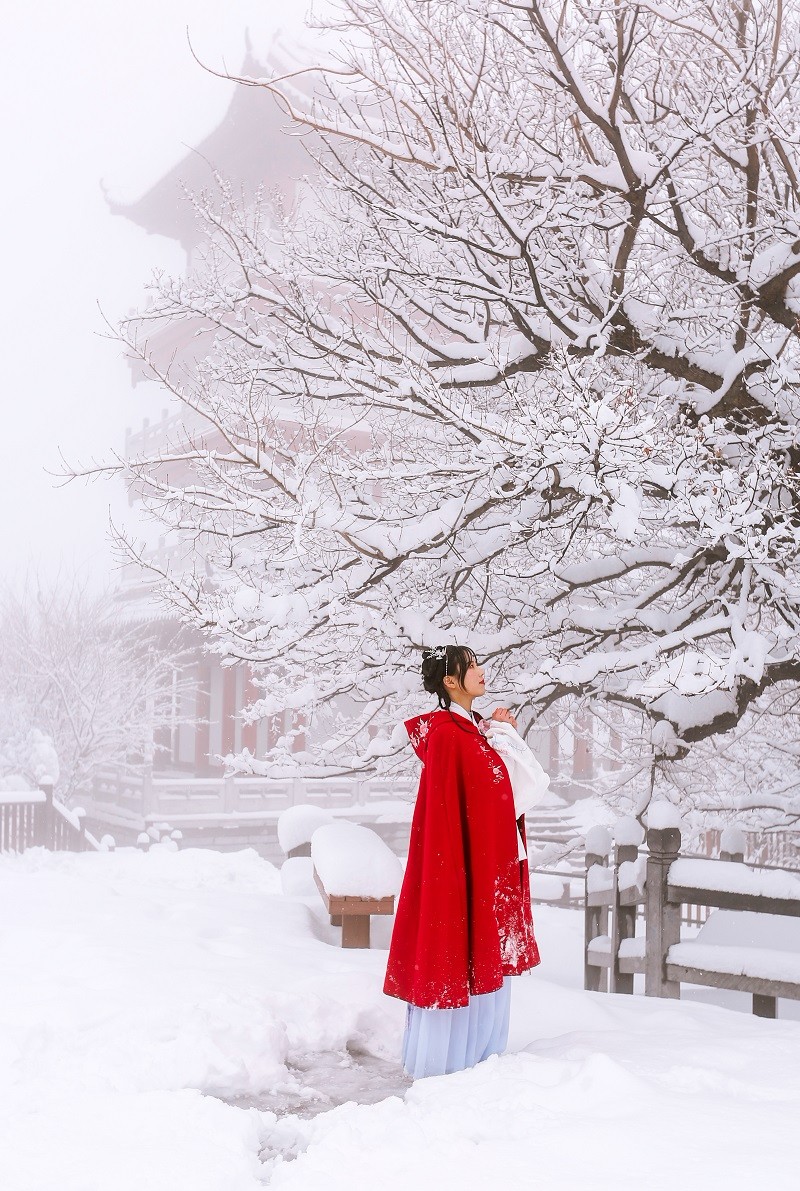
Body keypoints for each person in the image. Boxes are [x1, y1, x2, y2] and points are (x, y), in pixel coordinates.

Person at [383, 645, 545, 1079]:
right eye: (469, 666)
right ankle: (446, 1066)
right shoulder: (447, 736)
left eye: (477, 663)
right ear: (450, 681)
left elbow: (515, 792)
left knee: (485, 954)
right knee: (458, 954)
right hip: (460, 867)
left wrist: (506, 736)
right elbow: (444, 813)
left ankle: (480, 1060)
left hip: (489, 864)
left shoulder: (475, 732)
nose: (480, 671)